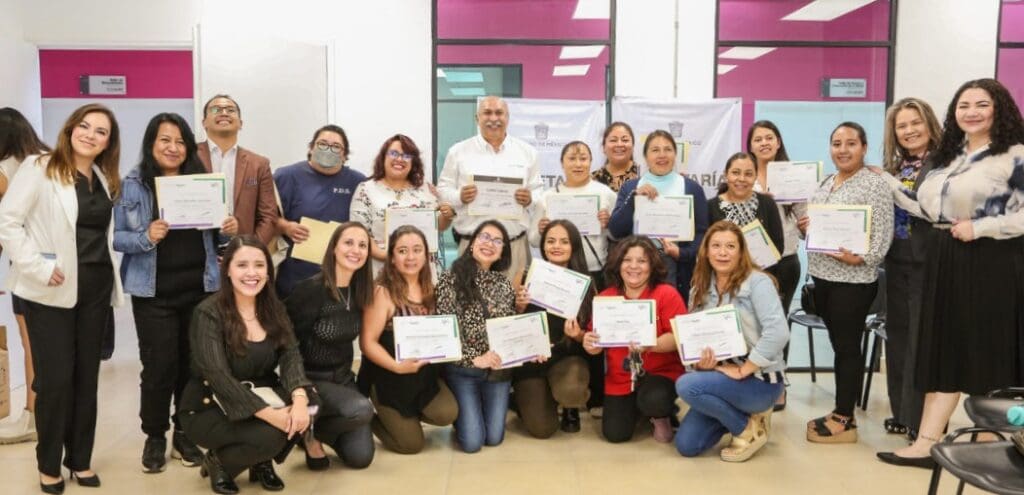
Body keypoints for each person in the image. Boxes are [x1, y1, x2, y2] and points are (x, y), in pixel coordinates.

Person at [876, 79, 1024, 468]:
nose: (971, 111)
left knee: (985, 353)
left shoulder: (1014, 154)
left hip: (991, 261)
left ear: (999, 109)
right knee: (942, 351)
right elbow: (930, 209)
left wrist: (981, 228)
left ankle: (992, 444)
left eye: (981, 104)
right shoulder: (950, 156)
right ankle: (927, 443)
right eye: (963, 105)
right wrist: (888, 184)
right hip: (946, 258)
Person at [0, 103, 124, 493]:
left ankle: (80, 460)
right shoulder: (40, 167)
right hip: (49, 290)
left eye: (101, 131)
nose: (90, 134)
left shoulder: (102, 178)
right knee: (55, 381)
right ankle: (49, 464)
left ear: (108, 142)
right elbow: (8, 221)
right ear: (70, 129)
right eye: (84, 126)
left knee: (87, 379)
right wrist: (36, 266)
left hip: (95, 291)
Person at [113, 113, 225, 473]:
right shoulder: (133, 184)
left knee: (194, 368)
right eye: (165, 140)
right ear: (151, 143)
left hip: (201, 291)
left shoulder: (203, 184)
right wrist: (148, 235)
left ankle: (185, 433)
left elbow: (219, 241)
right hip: (153, 293)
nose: (173, 148)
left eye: (180, 141)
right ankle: (155, 435)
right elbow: (119, 239)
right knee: (159, 368)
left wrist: (228, 228)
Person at [180, 236, 313, 494]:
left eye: (259, 265)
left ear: (268, 271)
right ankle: (220, 462)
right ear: (227, 269)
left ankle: (259, 460)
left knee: (311, 405)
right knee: (273, 433)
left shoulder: (274, 308)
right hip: (209, 405)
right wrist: (271, 415)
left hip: (260, 391)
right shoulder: (208, 313)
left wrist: (299, 400)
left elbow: (291, 355)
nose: (252, 273)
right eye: (242, 265)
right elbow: (218, 377)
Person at [800, 122, 893, 444]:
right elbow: (820, 228)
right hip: (823, 278)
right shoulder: (827, 182)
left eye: (850, 143)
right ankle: (842, 410)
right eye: (837, 143)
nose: (843, 149)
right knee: (840, 345)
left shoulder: (874, 184)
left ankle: (844, 416)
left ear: (864, 147)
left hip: (852, 281)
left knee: (847, 349)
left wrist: (862, 258)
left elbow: (883, 235)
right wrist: (806, 230)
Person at [674, 221, 789, 461]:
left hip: (759, 380)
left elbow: (778, 332)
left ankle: (746, 429)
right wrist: (700, 364)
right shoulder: (699, 288)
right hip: (721, 377)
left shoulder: (758, 282)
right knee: (687, 445)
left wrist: (743, 369)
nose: (722, 252)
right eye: (715, 245)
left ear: (741, 251)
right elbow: (693, 340)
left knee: (686, 385)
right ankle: (743, 418)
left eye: (730, 246)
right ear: (705, 251)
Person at [529, 140, 617, 418]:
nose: (578, 164)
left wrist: (609, 222)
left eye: (583, 158)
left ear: (591, 162)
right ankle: (556, 392)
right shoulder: (547, 198)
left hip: (593, 272)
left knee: (591, 336)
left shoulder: (605, 193)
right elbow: (533, 239)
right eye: (572, 158)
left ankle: (595, 398)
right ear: (562, 163)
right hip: (556, 272)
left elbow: (616, 235)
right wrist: (542, 228)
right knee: (558, 331)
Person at [358, 226, 458, 454]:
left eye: (417, 250)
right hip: (388, 378)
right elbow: (367, 343)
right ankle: (368, 419)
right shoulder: (382, 292)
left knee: (447, 413)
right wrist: (397, 367)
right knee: (410, 445)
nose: (410, 257)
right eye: (402, 251)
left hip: (423, 376)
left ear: (426, 255)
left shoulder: (432, 289)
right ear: (392, 258)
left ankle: (408, 417)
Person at [876, 98, 942, 439]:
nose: (909, 130)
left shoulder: (946, 164)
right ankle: (901, 412)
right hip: (896, 260)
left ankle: (923, 422)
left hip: (929, 262)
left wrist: (887, 183)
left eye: (915, 122)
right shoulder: (897, 165)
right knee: (898, 336)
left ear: (928, 123)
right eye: (901, 126)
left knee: (922, 340)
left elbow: (928, 209)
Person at [285, 222, 375, 471]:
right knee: (361, 409)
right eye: (348, 243)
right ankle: (308, 433)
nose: (355, 250)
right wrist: (299, 386)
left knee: (361, 458)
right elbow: (287, 342)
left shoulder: (360, 290)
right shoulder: (312, 289)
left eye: (362, 245)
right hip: (313, 379)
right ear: (333, 248)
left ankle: (314, 426)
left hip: (343, 379)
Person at [582, 236, 687, 444]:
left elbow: (678, 337)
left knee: (654, 400)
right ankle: (638, 410)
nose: (634, 266)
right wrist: (590, 344)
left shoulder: (667, 294)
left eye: (642, 261)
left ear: (652, 265)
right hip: (621, 376)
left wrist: (651, 344)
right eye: (627, 260)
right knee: (615, 434)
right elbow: (596, 345)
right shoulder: (606, 297)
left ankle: (661, 415)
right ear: (618, 264)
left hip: (660, 372)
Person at [437, 96, 543, 280]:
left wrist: (530, 199)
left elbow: (539, 193)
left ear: (507, 118)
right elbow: (442, 191)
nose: (493, 118)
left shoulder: (527, 153)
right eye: (487, 112)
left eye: (499, 113)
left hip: (514, 246)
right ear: (477, 118)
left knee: (516, 306)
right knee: (468, 305)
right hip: (470, 247)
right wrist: (459, 196)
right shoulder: (458, 151)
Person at [436, 220, 516, 453]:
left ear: (503, 251)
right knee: (472, 443)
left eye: (497, 241)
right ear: (471, 244)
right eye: (484, 237)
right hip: (464, 370)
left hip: (496, 371)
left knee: (493, 438)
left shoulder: (504, 284)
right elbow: (446, 332)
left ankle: (474, 408)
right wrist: (474, 359)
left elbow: (509, 329)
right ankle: (464, 412)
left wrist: (532, 349)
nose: (489, 244)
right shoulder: (450, 279)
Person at [512, 220, 596, 436]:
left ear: (574, 246)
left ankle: (570, 405)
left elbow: (594, 337)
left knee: (571, 390)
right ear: (543, 245)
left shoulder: (586, 282)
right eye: (550, 241)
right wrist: (518, 307)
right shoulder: (525, 274)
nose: (556, 246)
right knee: (543, 430)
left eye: (564, 241)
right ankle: (525, 400)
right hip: (532, 359)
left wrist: (578, 336)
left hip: (567, 356)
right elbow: (507, 324)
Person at [608, 130, 709, 302]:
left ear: (675, 154)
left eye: (668, 149)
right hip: (637, 266)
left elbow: (702, 232)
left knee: (670, 318)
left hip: (676, 267)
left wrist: (682, 253)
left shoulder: (692, 188)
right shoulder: (631, 187)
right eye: (655, 150)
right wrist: (634, 199)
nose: (662, 155)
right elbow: (616, 230)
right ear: (645, 157)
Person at [0, 107, 49, 445]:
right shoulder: (50, 161)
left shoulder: (5, 169)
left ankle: (34, 416)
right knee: (53, 345)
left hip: (26, 269)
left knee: (31, 344)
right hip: (59, 267)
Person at [274, 124, 367, 296]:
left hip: (342, 274)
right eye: (322, 144)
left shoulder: (358, 183)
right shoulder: (286, 176)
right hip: (296, 274)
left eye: (336, 146)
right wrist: (286, 227)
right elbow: (266, 217)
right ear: (311, 148)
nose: (328, 150)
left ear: (345, 155)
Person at [350, 134, 453, 277]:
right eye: (393, 153)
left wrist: (447, 217)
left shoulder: (425, 189)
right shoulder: (366, 190)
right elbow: (359, 234)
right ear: (383, 157)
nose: (399, 159)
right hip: (383, 270)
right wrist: (395, 258)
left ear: (413, 162)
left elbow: (437, 226)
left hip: (423, 271)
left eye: (406, 155)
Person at [196, 94, 278, 246]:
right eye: (216, 109)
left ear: (240, 123)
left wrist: (251, 249)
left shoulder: (259, 164)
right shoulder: (189, 156)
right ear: (204, 122)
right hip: (197, 254)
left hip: (242, 251)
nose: (224, 113)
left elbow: (269, 216)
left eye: (230, 110)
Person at [746, 121, 803, 316]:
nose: (764, 143)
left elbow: (805, 221)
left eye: (769, 138)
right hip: (752, 261)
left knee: (779, 318)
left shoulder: (794, 176)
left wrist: (807, 226)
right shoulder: (743, 177)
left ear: (778, 142)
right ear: (750, 147)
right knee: (752, 318)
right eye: (758, 139)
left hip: (786, 259)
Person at [708, 152, 785, 259]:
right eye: (735, 173)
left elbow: (778, 247)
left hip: (761, 272)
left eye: (748, 174)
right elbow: (705, 247)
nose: (742, 179)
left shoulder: (767, 203)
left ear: (755, 176)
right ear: (726, 174)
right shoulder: (710, 207)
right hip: (722, 273)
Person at [591, 122, 639, 192]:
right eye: (613, 140)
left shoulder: (643, 175)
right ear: (604, 147)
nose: (619, 144)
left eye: (625, 140)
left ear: (633, 146)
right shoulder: (593, 180)